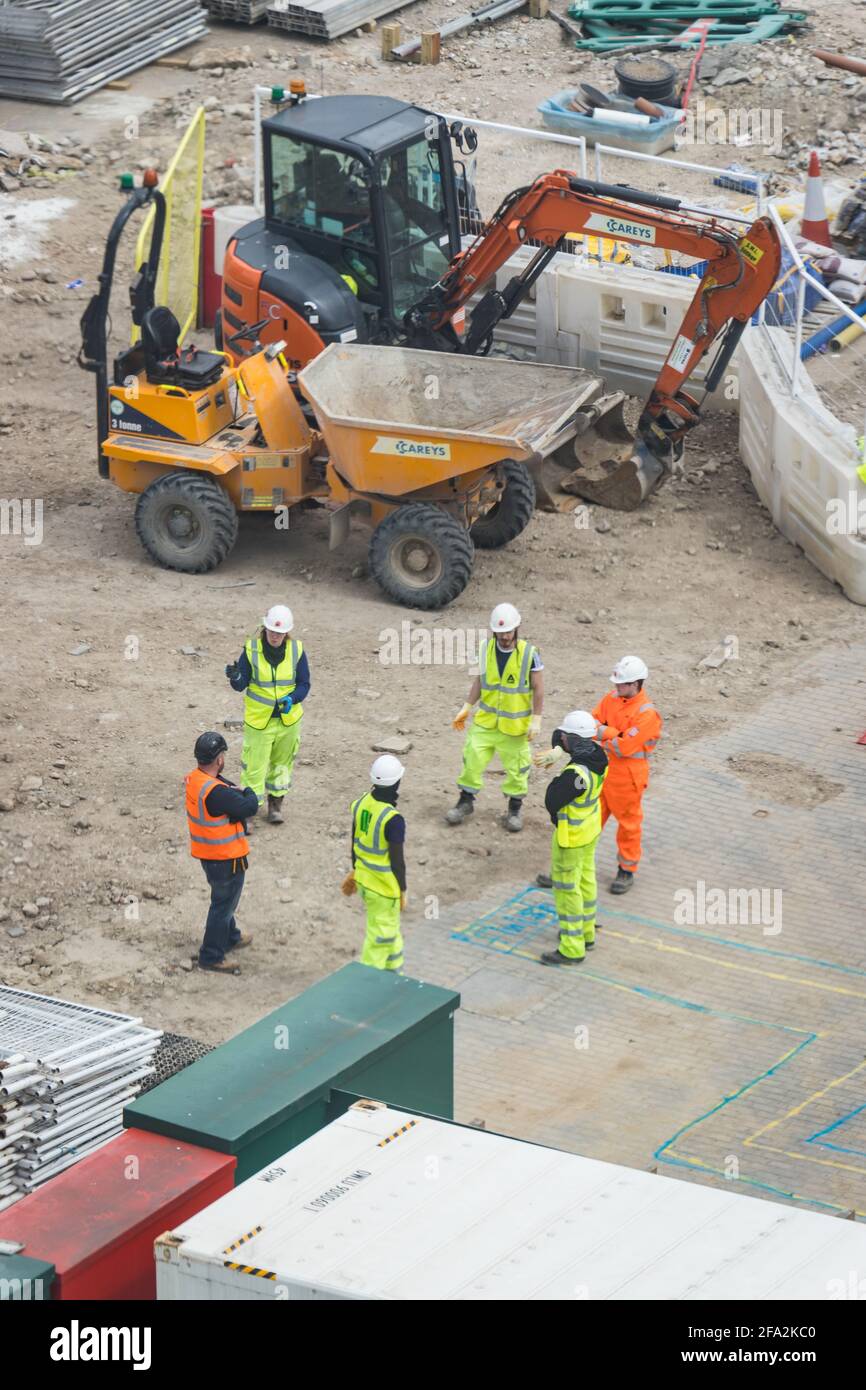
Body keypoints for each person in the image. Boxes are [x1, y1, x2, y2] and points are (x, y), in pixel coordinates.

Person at [445, 602, 544, 833]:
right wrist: (467, 707)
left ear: (517, 629)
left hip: (514, 726)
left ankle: (514, 808)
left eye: (509, 632)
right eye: (500, 633)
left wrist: (536, 719)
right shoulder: (485, 649)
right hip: (486, 722)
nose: (505, 637)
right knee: (472, 758)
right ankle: (465, 801)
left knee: (518, 768)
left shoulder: (530, 654)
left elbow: (538, 688)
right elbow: (480, 681)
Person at [225, 604, 310, 827]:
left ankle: (275, 806)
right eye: (272, 631)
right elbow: (241, 684)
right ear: (265, 629)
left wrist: (293, 699)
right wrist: (234, 676)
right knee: (254, 768)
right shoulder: (252, 650)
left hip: (288, 721)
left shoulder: (296, 650)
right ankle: (249, 812)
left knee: (282, 765)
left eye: (280, 633)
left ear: (287, 633)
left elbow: (304, 684)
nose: (275, 636)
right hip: (259, 722)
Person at [536, 711, 608, 968]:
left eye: (566, 737)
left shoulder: (575, 774)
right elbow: (561, 736)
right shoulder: (599, 756)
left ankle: (571, 946)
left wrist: (558, 775)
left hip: (571, 838)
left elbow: (552, 800)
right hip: (590, 830)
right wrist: (558, 748)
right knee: (586, 880)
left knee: (568, 891)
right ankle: (586, 933)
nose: (562, 738)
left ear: (576, 740)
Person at [185, 731, 258, 975]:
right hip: (226, 858)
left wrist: (231, 790)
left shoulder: (196, 780)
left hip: (208, 854)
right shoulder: (217, 793)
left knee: (224, 900)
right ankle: (212, 955)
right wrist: (247, 790)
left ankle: (231, 936)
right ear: (218, 759)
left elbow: (222, 787)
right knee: (223, 904)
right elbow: (250, 806)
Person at [592, 655, 662, 894]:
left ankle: (626, 870)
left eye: (621, 684)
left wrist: (604, 733)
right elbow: (590, 726)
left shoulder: (647, 714)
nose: (616, 687)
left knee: (629, 826)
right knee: (589, 820)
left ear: (636, 684)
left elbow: (624, 748)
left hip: (628, 779)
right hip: (604, 772)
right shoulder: (611, 699)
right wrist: (613, 734)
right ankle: (573, 863)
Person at [342, 755, 407, 972]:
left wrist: (355, 870)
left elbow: (354, 839)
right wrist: (402, 889)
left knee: (390, 929)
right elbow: (397, 861)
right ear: (397, 782)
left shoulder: (361, 803)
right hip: (384, 888)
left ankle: (394, 971)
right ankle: (370, 981)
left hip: (365, 880)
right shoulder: (393, 819)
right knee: (380, 937)